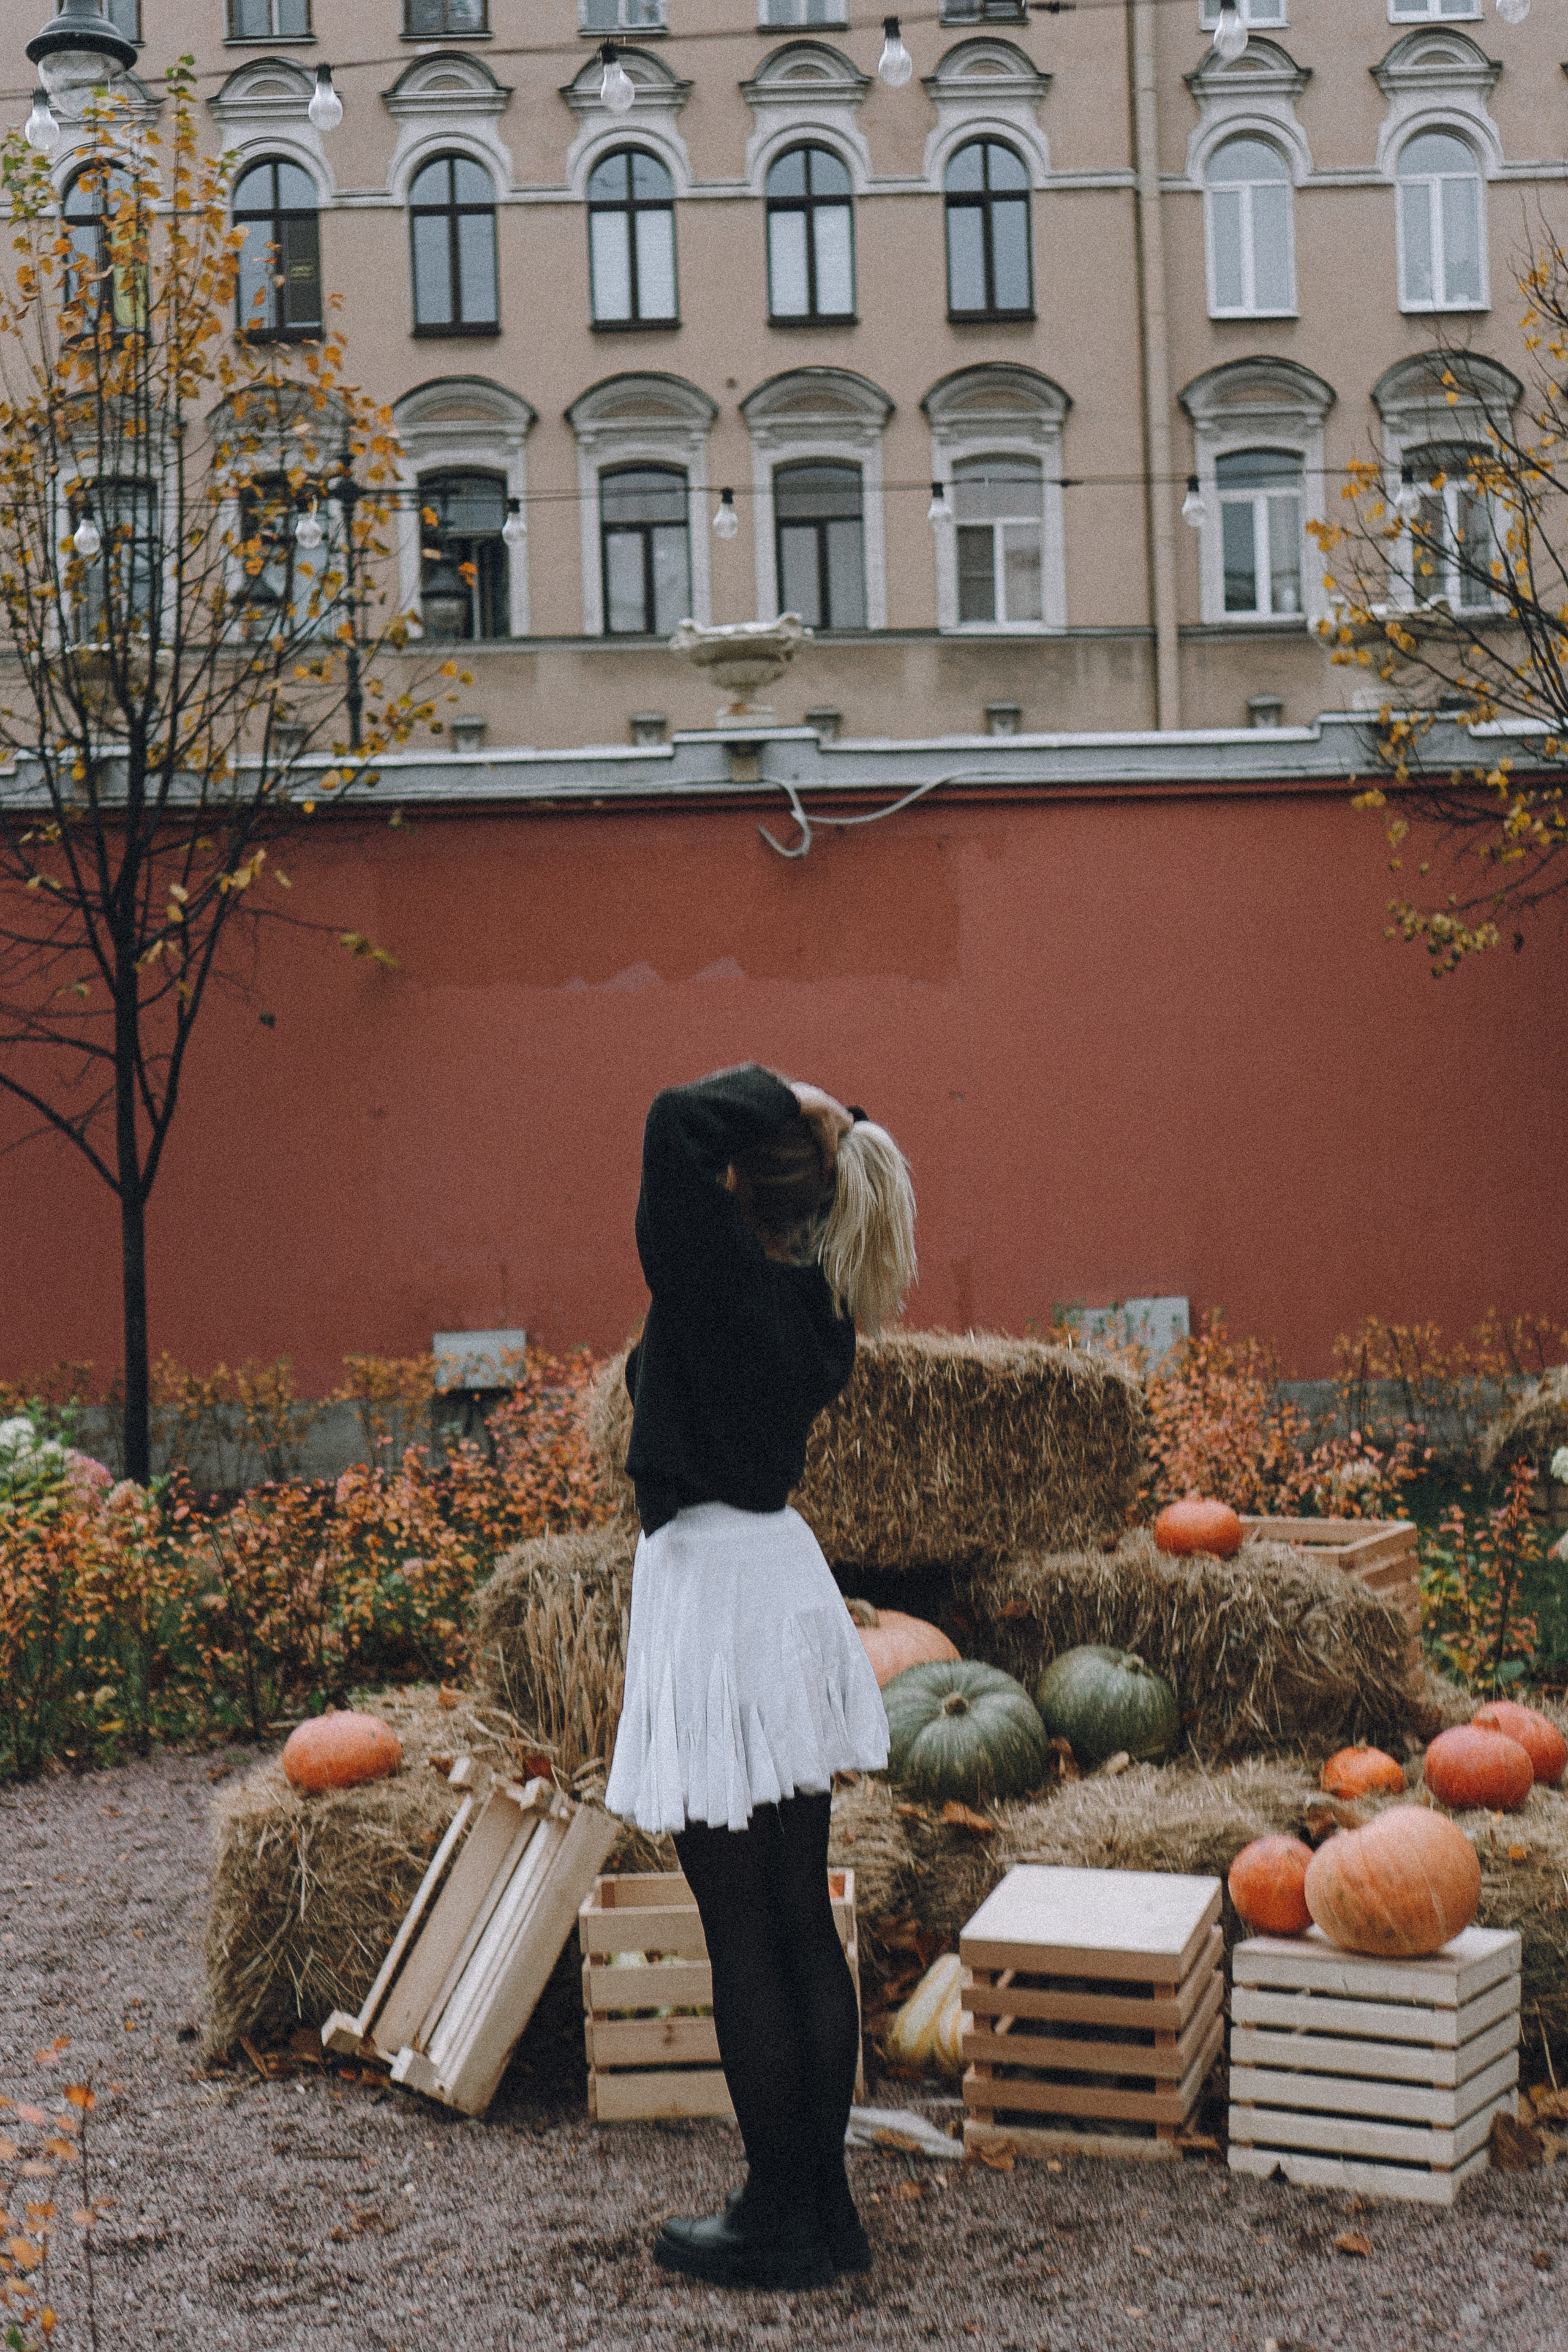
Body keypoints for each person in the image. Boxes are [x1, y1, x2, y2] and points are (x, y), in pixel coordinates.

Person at [603, 1061, 917, 2293]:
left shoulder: (714, 1273)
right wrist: (824, 1119)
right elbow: (696, 1143)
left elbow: (669, 1118)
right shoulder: (818, 1296)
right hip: (774, 1581)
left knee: (742, 1925)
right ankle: (816, 2206)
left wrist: (791, 1091)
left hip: (714, 1588)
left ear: (739, 1183)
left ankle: (778, 2218)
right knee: (793, 1912)